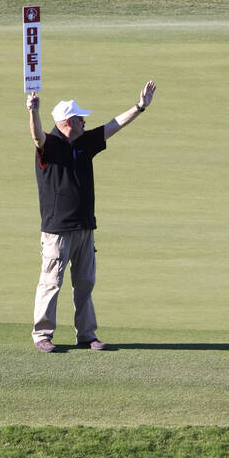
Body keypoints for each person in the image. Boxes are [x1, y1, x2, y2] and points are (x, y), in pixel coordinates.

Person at [27, 81, 156, 352]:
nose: (85, 122)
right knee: (51, 282)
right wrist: (33, 111)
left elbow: (113, 126)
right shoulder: (49, 145)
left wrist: (139, 107)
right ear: (68, 121)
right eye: (81, 118)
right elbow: (37, 135)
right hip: (57, 230)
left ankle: (86, 335)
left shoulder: (85, 143)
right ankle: (42, 334)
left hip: (85, 227)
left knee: (85, 283)